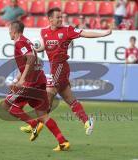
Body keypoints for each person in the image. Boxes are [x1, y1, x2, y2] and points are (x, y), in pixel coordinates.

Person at [20, 7, 112, 135]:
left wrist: (103, 34)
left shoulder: (67, 30)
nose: (60, 19)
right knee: (70, 99)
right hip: (53, 67)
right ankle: (87, 121)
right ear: (50, 19)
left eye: (61, 17)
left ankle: (36, 125)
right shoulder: (43, 33)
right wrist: (36, 49)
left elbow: (84, 33)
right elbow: (43, 47)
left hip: (61, 66)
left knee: (47, 96)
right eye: (57, 17)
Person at [1, 20, 70, 151]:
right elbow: (29, 61)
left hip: (31, 82)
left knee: (8, 106)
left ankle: (33, 124)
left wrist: (22, 80)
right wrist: (18, 78)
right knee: (42, 115)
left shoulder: (20, 42)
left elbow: (31, 58)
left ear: (14, 31)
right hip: (39, 80)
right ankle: (62, 141)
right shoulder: (27, 41)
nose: (9, 32)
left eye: (9, 30)